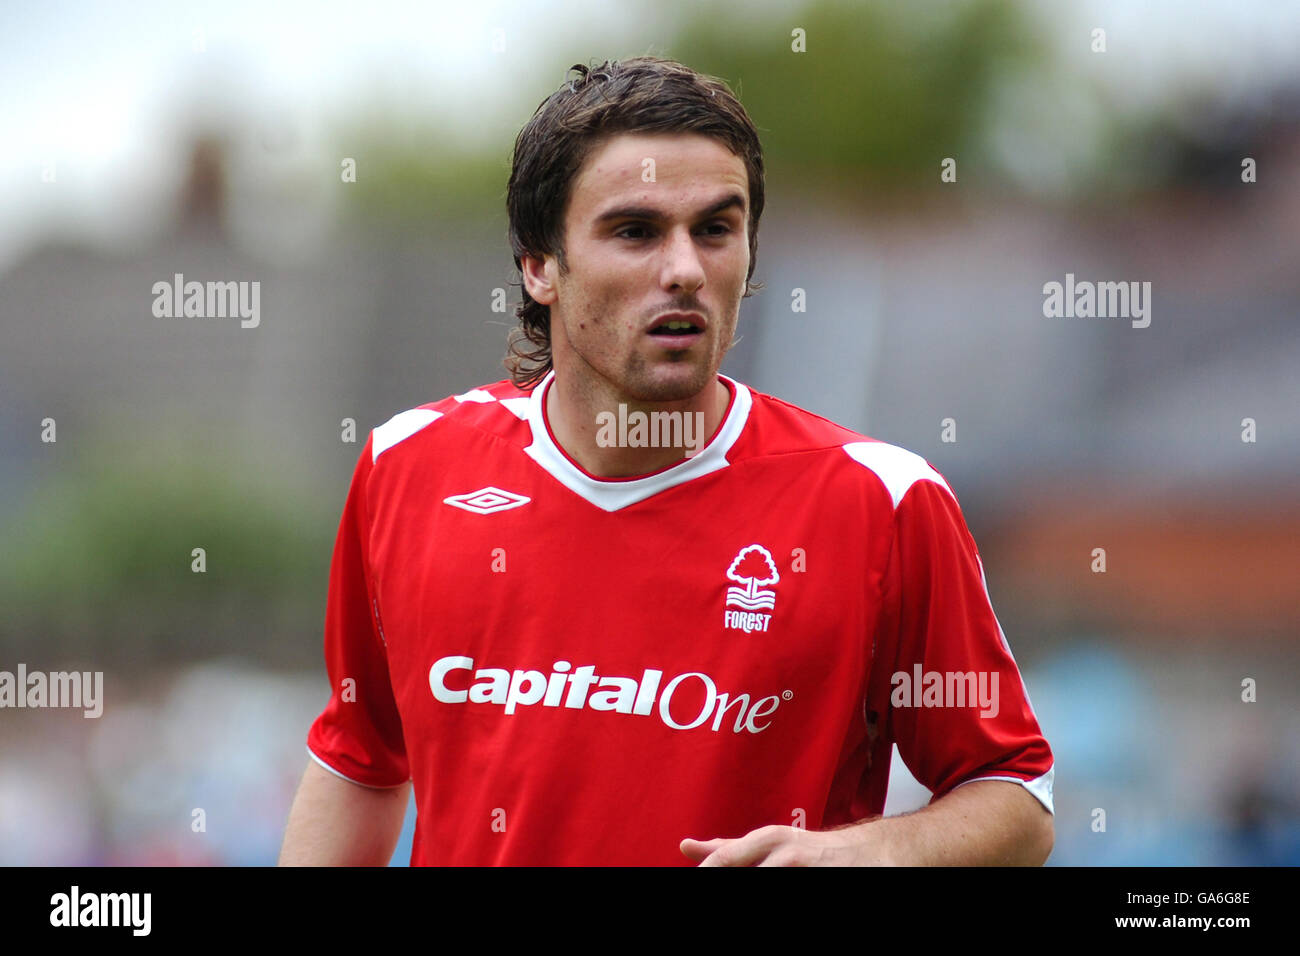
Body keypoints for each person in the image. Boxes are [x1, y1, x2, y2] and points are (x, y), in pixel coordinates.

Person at [279, 56, 1054, 867]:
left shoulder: (882, 502)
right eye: (636, 232)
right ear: (539, 264)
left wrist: (869, 854)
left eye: (716, 229)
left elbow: (1018, 799)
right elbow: (359, 764)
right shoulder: (410, 465)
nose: (685, 269)